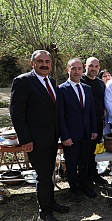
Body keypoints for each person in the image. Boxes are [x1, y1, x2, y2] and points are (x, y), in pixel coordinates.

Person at [10, 50, 69, 221]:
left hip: (51, 137)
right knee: (43, 175)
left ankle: (51, 202)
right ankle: (44, 211)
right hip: (35, 140)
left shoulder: (50, 81)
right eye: (40, 61)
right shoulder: (23, 81)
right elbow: (16, 113)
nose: (44, 64)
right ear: (32, 63)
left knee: (49, 172)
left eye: (47, 61)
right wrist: (25, 140)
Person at [59, 58, 98, 202]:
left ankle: (84, 185)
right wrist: (65, 136)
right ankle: (74, 189)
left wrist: (94, 129)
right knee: (71, 163)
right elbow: (60, 116)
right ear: (67, 69)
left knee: (84, 162)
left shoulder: (87, 88)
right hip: (71, 135)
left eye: (79, 68)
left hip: (87, 133)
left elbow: (91, 111)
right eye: (73, 68)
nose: (77, 71)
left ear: (83, 70)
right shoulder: (61, 89)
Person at [81, 57, 108, 186]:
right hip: (83, 123)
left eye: (96, 66)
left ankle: (94, 174)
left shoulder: (100, 83)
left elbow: (102, 103)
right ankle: (84, 178)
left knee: (93, 151)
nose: (94, 69)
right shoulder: (79, 81)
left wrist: (102, 118)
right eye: (91, 66)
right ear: (85, 65)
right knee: (84, 152)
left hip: (97, 122)